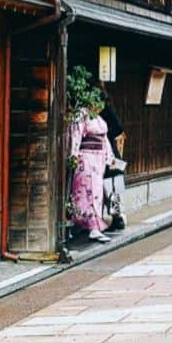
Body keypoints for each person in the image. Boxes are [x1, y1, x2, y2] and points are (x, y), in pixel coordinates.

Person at [68, 95, 113, 241]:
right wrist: (73, 155)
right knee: (87, 191)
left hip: (98, 159)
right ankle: (92, 227)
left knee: (97, 192)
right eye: (98, 102)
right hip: (86, 158)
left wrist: (109, 157)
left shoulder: (99, 119)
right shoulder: (81, 114)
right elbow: (76, 136)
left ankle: (92, 226)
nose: (100, 106)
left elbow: (105, 140)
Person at [99, 92, 127, 232]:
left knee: (112, 186)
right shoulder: (103, 112)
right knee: (109, 186)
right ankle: (115, 218)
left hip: (109, 153)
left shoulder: (106, 111)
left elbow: (119, 129)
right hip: (104, 153)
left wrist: (107, 134)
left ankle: (117, 218)